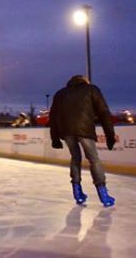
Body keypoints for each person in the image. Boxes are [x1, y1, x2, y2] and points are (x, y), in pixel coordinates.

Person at [50, 75, 116, 207]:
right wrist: (110, 135)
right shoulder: (91, 89)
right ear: (85, 81)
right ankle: (103, 194)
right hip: (85, 130)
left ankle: (77, 193)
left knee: (75, 158)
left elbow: (53, 116)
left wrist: (55, 137)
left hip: (67, 131)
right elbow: (103, 112)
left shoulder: (60, 93)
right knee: (93, 159)